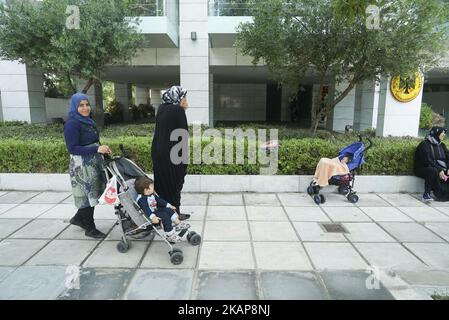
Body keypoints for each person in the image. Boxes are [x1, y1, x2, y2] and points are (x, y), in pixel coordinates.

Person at [63, 93, 112, 238]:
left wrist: (103, 148)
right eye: (81, 105)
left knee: (93, 195)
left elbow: (94, 140)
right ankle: (90, 228)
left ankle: (78, 218)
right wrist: (96, 149)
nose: (85, 108)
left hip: (93, 163)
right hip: (81, 166)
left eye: (87, 105)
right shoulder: (72, 123)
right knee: (88, 198)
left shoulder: (87, 121)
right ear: (74, 107)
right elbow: (72, 148)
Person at [151, 86, 190, 220]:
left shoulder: (162, 109)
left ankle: (166, 213)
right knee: (175, 184)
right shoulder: (177, 111)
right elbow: (182, 136)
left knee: (162, 184)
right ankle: (174, 214)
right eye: (184, 97)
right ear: (178, 98)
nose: (186, 100)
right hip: (173, 155)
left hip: (159, 153)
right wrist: (184, 161)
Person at [134, 176, 189, 243]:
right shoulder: (141, 199)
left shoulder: (151, 194)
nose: (153, 187)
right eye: (152, 186)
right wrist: (153, 217)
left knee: (168, 210)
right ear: (146, 190)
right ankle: (170, 235)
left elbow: (159, 200)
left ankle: (179, 224)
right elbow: (146, 209)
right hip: (151, 214)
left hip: (156, 210)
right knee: (165, 217)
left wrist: (169, 205)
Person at [414, 126, 449, 202]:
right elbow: (427, 160)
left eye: (444, 134)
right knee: (432, 170)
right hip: (422, 168)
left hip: (438, 168)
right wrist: (439, 170)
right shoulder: (424, 144)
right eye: (442, 133)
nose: (444, 135)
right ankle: (426, 194)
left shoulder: (442, 145)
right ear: (436, 134)